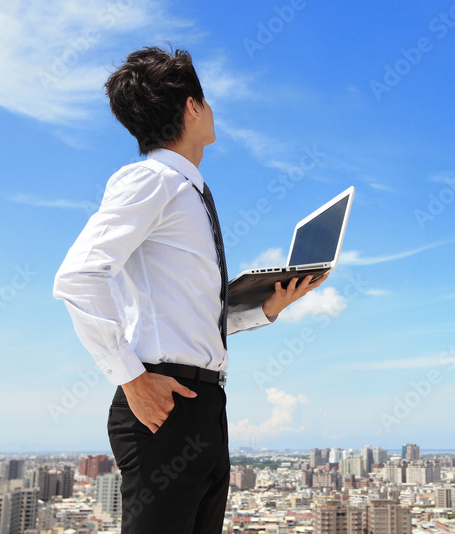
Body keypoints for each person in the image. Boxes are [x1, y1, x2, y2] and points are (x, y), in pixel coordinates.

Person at [52, 46, 325, 533]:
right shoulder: (151, 179)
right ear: (192, 106)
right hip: (164, 405)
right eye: (208, 100)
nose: (213, 110)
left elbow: (186, 320)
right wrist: (131, 378)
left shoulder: (189, 191)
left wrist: (265, 308)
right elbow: (77, 277)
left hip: (202, 407)